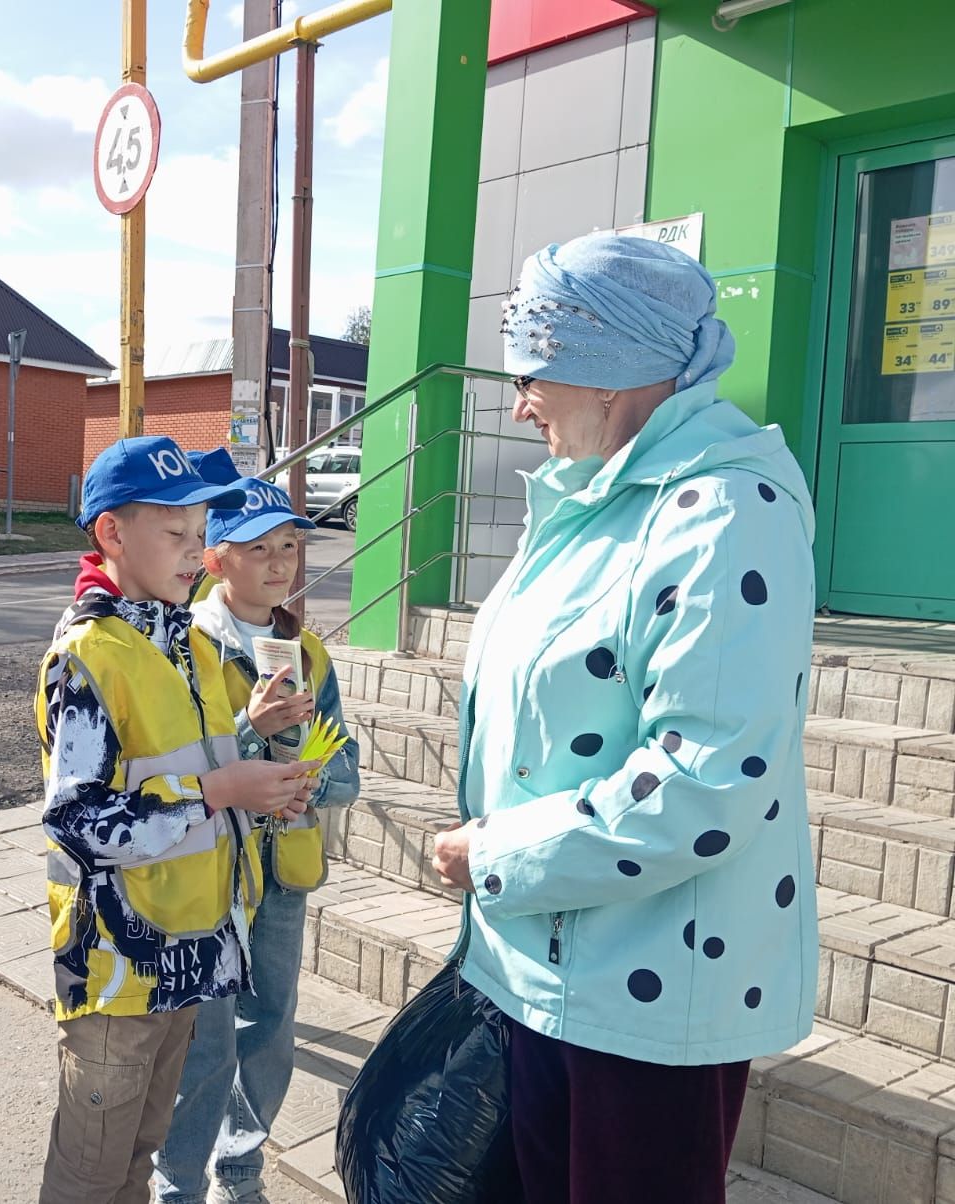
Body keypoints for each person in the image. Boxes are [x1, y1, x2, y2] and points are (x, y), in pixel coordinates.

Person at [430, 233, 818, 1203]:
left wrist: (495, 856)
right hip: (544, 973)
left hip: (645, 1001)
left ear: (606, 372)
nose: (519, 404)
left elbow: (704, 780)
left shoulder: (725, 512)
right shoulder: (594, 499)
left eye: (531, 374)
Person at [37, 436, 318, 1204]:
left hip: (190, 954)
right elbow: (77, 820)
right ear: (111, 534)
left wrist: (262, 775)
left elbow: (194, 765)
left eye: (201, 535)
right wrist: (222, 790)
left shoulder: (186, 640)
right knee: (91, 1173)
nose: (195, 553)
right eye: (176, 535)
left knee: (139, 1158)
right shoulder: (89, 653)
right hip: (117, 971)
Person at [154, 472, 360, 1204]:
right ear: (215, 560)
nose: (280, 563)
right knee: (204, 1038)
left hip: (282, 866)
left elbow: (346, 768)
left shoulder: (308, 653)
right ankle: (175, 1185)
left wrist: (310, 781)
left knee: (270, 1026)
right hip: (208, 869)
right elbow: (178, 770)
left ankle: (239, 1172)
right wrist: (252, 731)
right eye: (259, 548)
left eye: (292, 546)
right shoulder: (182, 647)